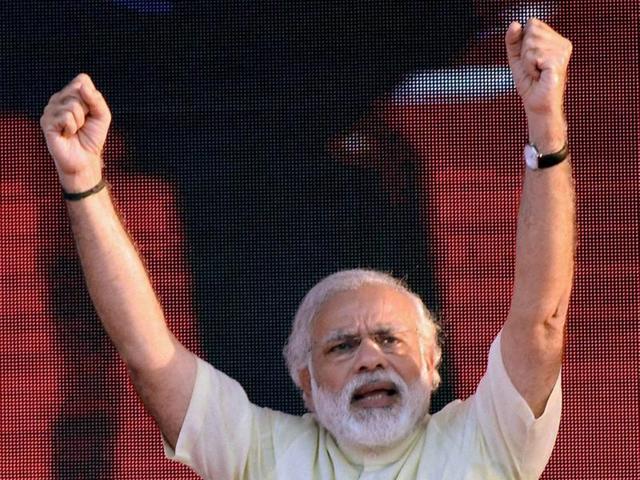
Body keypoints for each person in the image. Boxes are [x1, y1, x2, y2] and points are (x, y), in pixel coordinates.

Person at [40, 18, 574, 479]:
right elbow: (149, 355)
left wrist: (547, 126)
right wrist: (83, 182)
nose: (370, 358)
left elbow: (541, 321)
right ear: (305, 381)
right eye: (341, 346)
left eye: (391, 339)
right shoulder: (262, 453)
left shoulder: (489, 439)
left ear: (433, 362)